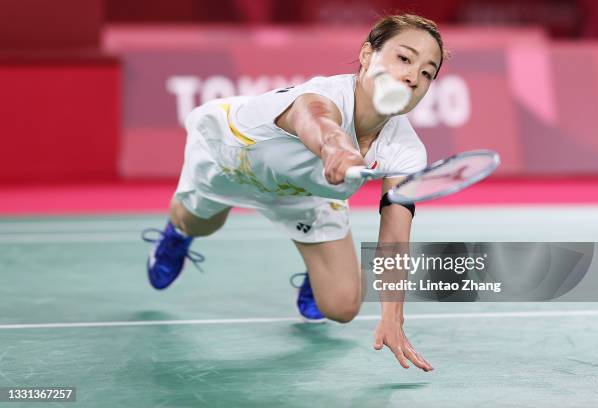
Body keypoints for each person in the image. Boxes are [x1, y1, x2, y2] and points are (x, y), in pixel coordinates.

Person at [143, 13, 446, 371]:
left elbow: (395, 237)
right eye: (404, 58)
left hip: (305, 190)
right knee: (197, 222)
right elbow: (316, 120)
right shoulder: (321, 98)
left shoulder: (406, 151)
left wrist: (392, 314)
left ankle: (315, 270)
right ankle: (176, 236)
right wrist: (334, 147)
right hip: (233, 158)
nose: (413, 77)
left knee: (342, 306)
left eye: (428, 72)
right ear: (367, 55)